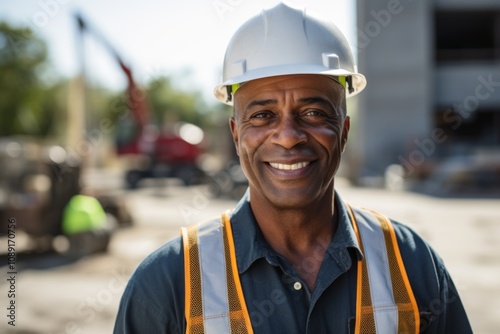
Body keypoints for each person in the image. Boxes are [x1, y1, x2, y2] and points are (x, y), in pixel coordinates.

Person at [114, 3, 472, 333]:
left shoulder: (413, 266)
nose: (288, 137)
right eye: (263, 116)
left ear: (344, 131)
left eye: (313, 113)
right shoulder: (167, 286)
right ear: (236, 135)